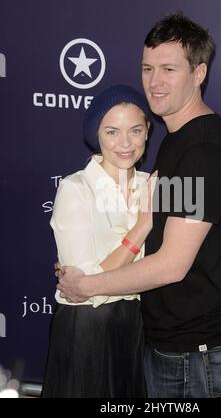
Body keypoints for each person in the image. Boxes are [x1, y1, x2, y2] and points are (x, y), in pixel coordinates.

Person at [56, 13, 221, 398]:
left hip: (192, 349)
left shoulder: (202, 151)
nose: (154, 82)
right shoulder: (176, 136)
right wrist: (219, 242)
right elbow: (179, 231)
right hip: (167, 338)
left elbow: (172, 263)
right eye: (147, 68)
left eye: (168, 69)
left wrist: (86, 285)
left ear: (198, 74)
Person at [42, 84, 155, 397]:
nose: (125, 144)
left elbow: (200, 234)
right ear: (96, 134)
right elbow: (84, 286)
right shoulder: (75, 188)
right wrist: (141, 228)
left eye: (135, 130)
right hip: (87, 329)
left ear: (147, 130)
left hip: (138, 326)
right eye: (112, 132)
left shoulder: (159, 183)